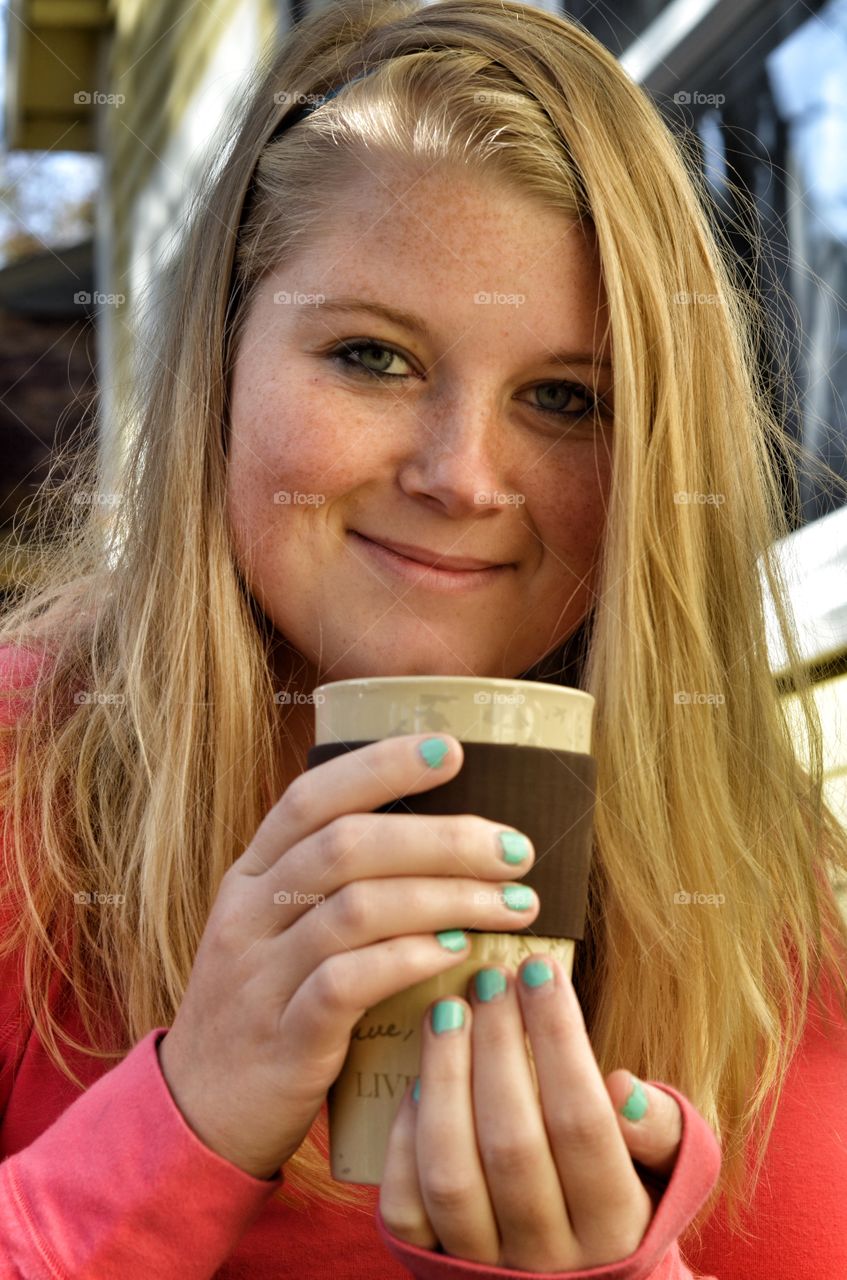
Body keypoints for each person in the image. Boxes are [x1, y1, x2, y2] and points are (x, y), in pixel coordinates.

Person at [1, 0, 846, 1276]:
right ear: (222, 358)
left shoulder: (755, 902)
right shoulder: (24, 784)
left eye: (565, 398)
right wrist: (182, 1118)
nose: (461, 476)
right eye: (373, 356)